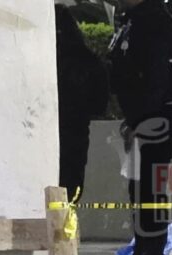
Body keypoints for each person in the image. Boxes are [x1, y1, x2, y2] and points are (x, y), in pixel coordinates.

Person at [101, 0, 172, 255]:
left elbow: (155, 79)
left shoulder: (153, 22)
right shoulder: (136, 19)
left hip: (155, 125)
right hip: (144, 123)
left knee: (150, 203)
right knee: (141, 200)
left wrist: (141, 122)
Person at [56, 4, 110, 202]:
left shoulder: (47, 59)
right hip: (76, 135)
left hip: (57, 132)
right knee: (70, 193)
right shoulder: (87, 60)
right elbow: (99, 103)